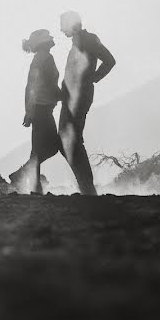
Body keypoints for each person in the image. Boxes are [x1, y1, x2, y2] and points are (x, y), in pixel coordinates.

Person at [58, 11, 116, 195]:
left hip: (80, 97)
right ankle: (86, 187)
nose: (60, 29)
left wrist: (93, 78)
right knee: (67, 140)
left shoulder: (90, 40)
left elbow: (110, 60)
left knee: (71, 140)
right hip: (71, 97)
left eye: (63, 25)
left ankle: (87, 189)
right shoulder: (77, 42)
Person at [12, 29, 62, 195]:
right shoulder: (45, 58)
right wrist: (65, 95)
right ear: (44, 42)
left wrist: (29, 110)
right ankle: (23, 175)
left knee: (38, 149)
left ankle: (35, 186)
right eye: (49, 38)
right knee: (52, 147)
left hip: (39, 108)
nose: (52, 39)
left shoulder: (39, 58)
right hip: (43, 109)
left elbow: (31, 87)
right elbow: (46, 86)